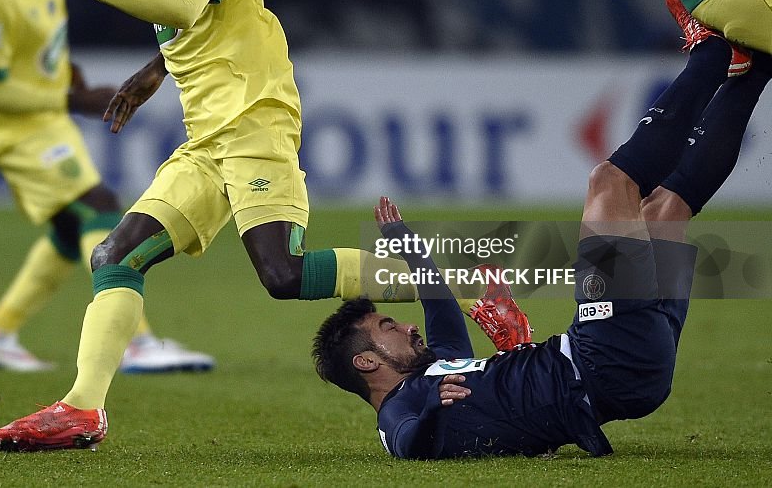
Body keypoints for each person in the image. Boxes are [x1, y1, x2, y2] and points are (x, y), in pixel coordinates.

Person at [0, 0, 431, 451]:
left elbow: (188, 3)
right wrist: (153, 70)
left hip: (251, 117)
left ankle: (454, 275)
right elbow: (200, 21)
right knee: (116, 255)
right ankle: (82, 410)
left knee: (281, 274)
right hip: (206, 137)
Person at [312, 23, 772, 459]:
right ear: (368, 363)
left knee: (665, 209)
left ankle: (756, 62)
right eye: (388, 328)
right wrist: (434, 409)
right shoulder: (397, 414)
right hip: (599, 359)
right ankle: (710, 52)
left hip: (630, 369)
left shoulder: (438, 369)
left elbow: (440, 305)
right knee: (610, 183)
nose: (408, 327)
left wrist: (403, 241)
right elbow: (410, 444)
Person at [0, 0, 213, 375]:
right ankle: (136, 342)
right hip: (3, 121)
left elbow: (38, 42)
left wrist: (65, 76)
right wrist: (70, 97)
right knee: (100, 205)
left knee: (73, 228)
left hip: (38, 114)